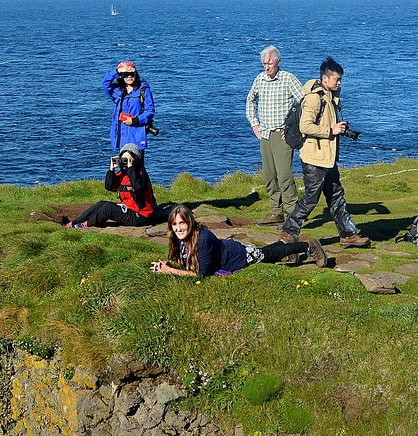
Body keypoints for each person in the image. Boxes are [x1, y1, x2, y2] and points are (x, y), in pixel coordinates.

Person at [279, 57, 370, 249]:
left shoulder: (330, 98)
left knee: (337, 196)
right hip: (314, 159)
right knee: (311, 198)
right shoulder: (314, 98)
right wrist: (331, 131)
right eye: (336, 79)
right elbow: (305, 126)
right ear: (325, 79)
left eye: (340, 79)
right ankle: (289, 231)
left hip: (327, 158)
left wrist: (338, 129)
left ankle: (348, 234)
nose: (339, 83)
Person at [150, 205, 327, 276]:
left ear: (189, 222)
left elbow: (200, 274)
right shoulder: (178, 237)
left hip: (238, 255)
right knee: (269, 253)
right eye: (174, 224)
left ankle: (307, 245)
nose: (178, 228)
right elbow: (183, 258)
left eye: (182, 223)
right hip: (229, 250)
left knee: (268, 255)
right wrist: (167, 263)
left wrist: (169, 271)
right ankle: (286, 245)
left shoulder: (202, 238)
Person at [245, 46, 304, 226]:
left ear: (278, 62)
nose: (266, 66)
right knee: (269, 175)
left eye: (269, 63)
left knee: (284, 174)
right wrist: (254, 123)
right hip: (265, 134)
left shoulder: (288, 78)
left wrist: (295, 128)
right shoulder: (259, 79)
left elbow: (305, 102)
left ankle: (293, 214)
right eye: (264, 63)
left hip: (282, 134)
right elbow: (250, 100)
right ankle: (275, 211)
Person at [65, 143, 158, 228]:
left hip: (140, 215)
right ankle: (75, 222)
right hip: (128, 209)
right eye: (123, 160)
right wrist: (111, 170)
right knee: (101, 204)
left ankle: (86, 224)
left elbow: (137, 187)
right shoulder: (122, 174)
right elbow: (109, 186)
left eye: (128, 160)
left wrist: (131, 168)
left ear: (135, 160)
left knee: (108, 208)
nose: (125, 163)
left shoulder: (141, 175)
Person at [102, 61, 155, 154]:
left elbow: (150, 111)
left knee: (134, 165)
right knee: (124, 164)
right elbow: (105, 83)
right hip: (120, 137)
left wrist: (135, 120)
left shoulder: (143, 90)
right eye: (126, 74)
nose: (129, 77)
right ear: (121, 76)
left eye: (132, 74)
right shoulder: (117, 91)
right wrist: (117, 71)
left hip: (136, 135)